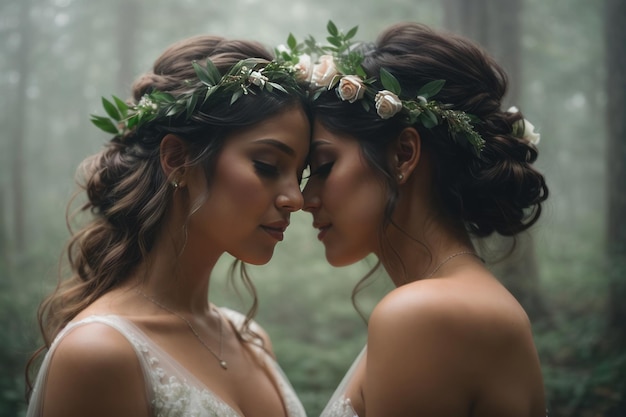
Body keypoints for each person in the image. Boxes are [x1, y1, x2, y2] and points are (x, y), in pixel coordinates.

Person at [25, 34, 310, 417]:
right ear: (178, 159)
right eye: (267, 166)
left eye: (300, 174)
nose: (296, 198)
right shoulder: (100, 353)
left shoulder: (251, 339)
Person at [299, 22, 548, 416]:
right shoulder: (464, 300)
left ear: (403, 155)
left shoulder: (423, 315)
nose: (304, 198)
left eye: (325, 166)